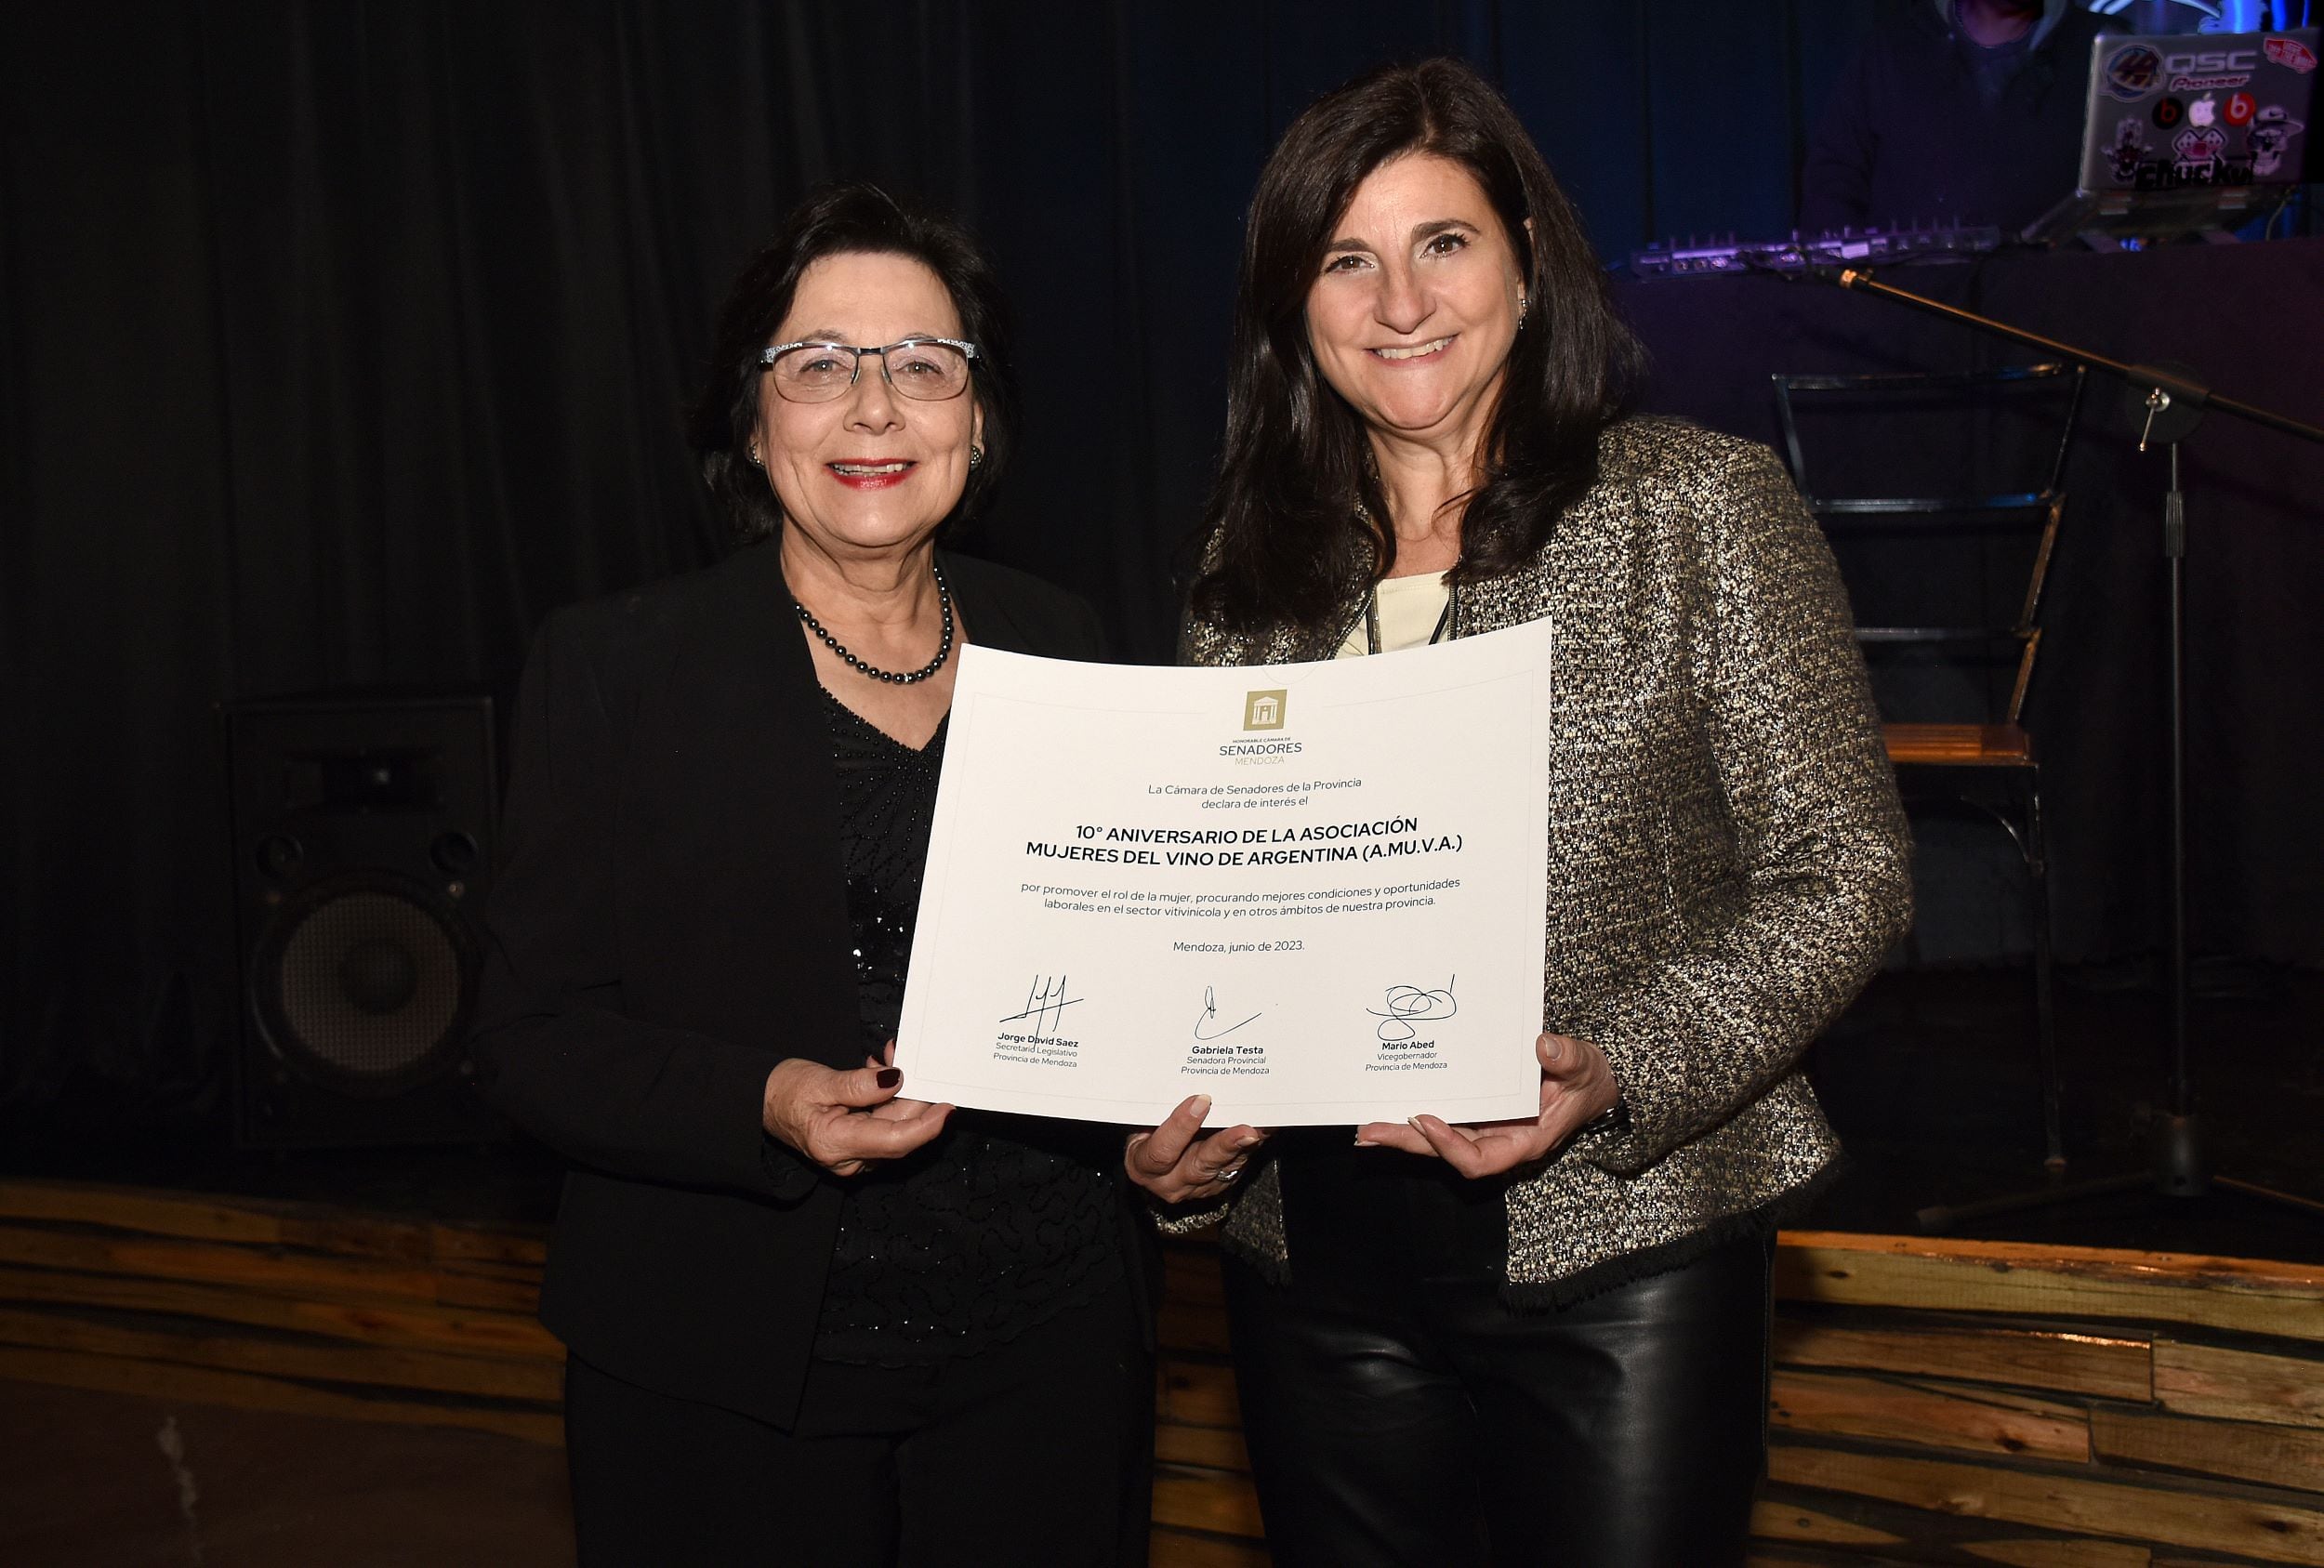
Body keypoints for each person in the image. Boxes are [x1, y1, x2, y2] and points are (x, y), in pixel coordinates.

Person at [1126, 59, 1912, 1567]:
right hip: (1317, 1265)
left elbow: (1846, 873)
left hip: (1623, 1242)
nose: (1399, 300)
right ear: (1295, 302)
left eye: (1444, 243)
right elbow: (1211, 929)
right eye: (1345, 258)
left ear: (1530, 259)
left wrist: (1615, 1063)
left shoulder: (1696, 506)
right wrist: (1173, 1152)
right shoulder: (1249, 572)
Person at [470, 183, 1153, 1568]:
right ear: (753, 412)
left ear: (980, 412)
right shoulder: (615, 666)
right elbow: (530, 1038)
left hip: (1051, 1353)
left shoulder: (1066, 641)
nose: (875, 410)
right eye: (820, 365)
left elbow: (1118, 975)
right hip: (728, 1370)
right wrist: (763, 1099)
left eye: (922, 364)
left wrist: (1162, 1119)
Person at [1800, 0, 2106, 234]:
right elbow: (1833, 181)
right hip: (1910, 303)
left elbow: (2133, 197)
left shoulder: (2103, 50)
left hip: (2056, 302)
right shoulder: (1891, 51)